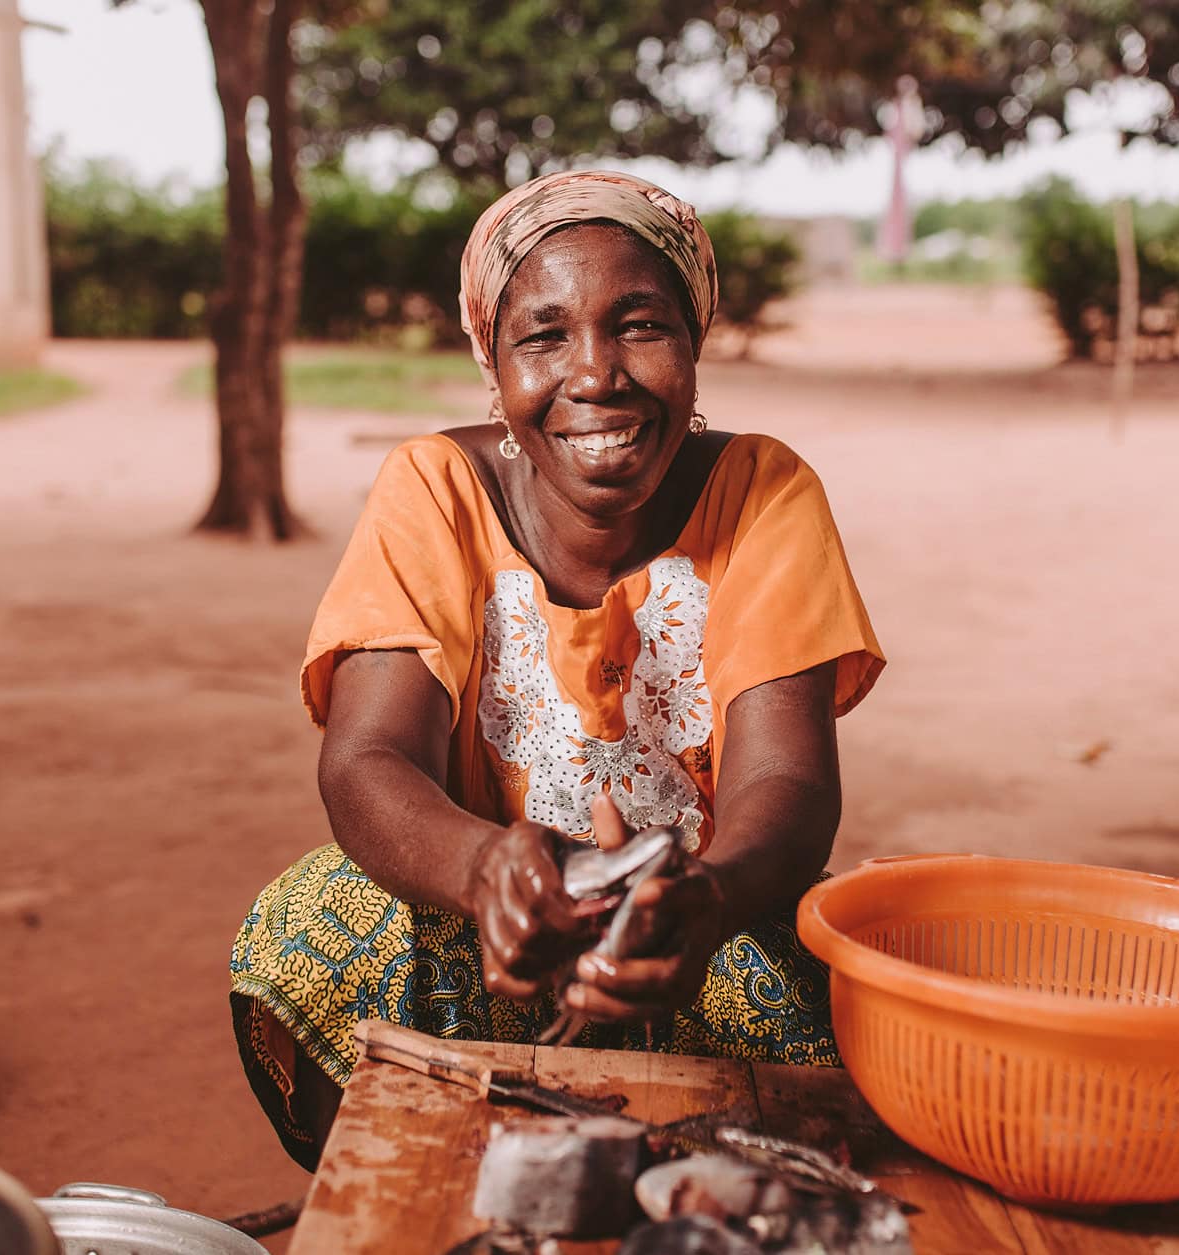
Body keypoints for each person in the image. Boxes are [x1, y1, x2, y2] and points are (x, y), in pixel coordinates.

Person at [229, 170, 885, 1170]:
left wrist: (703, 900)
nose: (595, 375)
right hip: (488, 944)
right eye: (542, 336)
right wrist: (485, 867)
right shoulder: (434, 488)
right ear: (491, 365)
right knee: (324, 911)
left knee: (842, 975)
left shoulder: (763, 492)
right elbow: (367, 759)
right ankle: (402, 1203)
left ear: (695, 344)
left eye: (639, 326)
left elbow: (789, 784)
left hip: (702, 938)